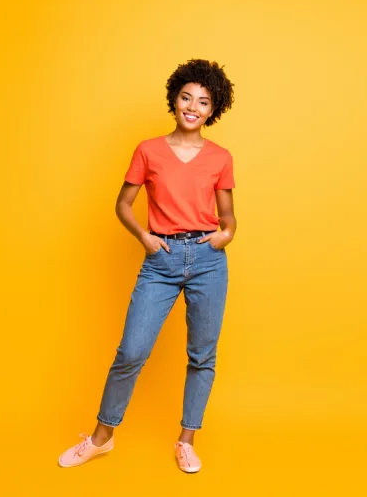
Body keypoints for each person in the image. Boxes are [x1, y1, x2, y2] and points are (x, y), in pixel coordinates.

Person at [58, 59, 236, 473]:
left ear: (213, 109)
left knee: (202, 355)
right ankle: (101, 438)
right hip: (162, 260)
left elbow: (228, 215)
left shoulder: (221, 157)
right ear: (174, 99)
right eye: (186, 97)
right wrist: (144, 237)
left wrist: (226, 234)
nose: (192, 106)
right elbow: (123, 203)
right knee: (132, 351)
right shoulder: (148, 150)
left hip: (209, 261)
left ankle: (187, 440)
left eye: (203, 102)